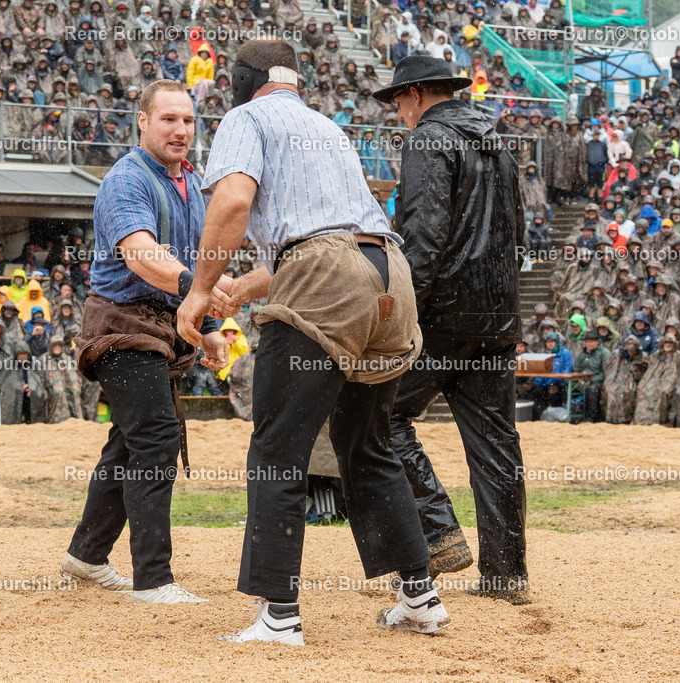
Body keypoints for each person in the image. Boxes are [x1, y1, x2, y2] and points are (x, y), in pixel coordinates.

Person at [177, 40, 448, 645]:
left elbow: (236, 202)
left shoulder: (246, 117)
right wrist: (240, 288)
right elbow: (327, 241)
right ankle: (420, 597)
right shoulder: (328, 128)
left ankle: (279, 615)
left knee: (277, 447)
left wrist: (199, 290)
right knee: (368, 444)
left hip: (325, 278)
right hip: (388, 275)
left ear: (241, 81)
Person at [368, 53, 529, 598]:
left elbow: (423, 237)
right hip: (496, 316)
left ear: (415, 95)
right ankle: (507, 575)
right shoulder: (499, 143)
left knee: (380, 418)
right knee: (497, 444)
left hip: (440, 314)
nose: (399, 113)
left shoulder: (428, 140)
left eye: (398, 103)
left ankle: (437, 534)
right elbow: (519, 234)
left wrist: (399, 310)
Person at [62, 80, 228, 606]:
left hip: (164, 327)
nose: (180, 130)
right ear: (142, 121)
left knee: (130, 442)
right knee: (156, 438)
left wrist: (209, 327)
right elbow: (140, 253)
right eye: (168, 119)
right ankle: (153, 578)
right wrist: (200, 290)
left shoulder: (193, 183)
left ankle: (86, 556)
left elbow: (197, 261)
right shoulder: (126, 179)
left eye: (188, 121)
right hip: (120, 326)